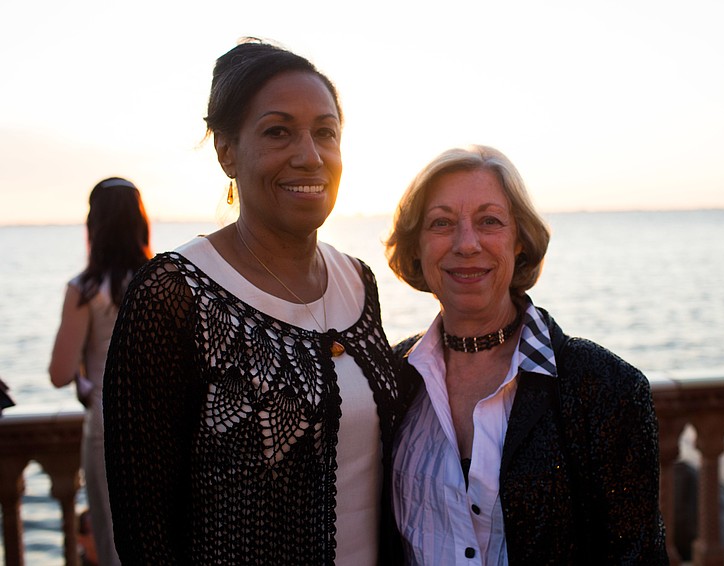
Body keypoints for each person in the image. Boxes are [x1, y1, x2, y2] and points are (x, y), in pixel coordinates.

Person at [103, 38, 403, 565]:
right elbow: (145, 528)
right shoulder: (175, 294)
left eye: (325, 133)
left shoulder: (359, 281)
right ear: (226, 151)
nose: (309, 155)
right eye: (278, 131)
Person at [385, 145, 668, 564]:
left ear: (520, 240)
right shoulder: (392, 379)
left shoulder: (605, 387)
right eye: (441, 223)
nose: (466, 243)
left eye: (489, 221)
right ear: (416, 247)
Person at [49, 177, 153, 566]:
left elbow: (59, 373)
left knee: (116, 545)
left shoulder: (86, 289)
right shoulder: (164, 281)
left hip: (109, 434)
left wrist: (80, 374)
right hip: (162, 426)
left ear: (94, 225)